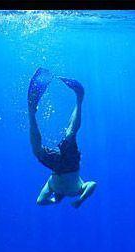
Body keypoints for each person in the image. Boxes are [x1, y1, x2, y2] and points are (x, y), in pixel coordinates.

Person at [28, 68, 97, 208]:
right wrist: (81, 199)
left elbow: (40, 201)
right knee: (69, 135)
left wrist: (54, 200)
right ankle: (79, 97)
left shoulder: (51, 187)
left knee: (37, 152)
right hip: (72, 165)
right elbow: (92, 184)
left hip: (57, 167)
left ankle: (31, 113)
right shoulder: (74, 192)